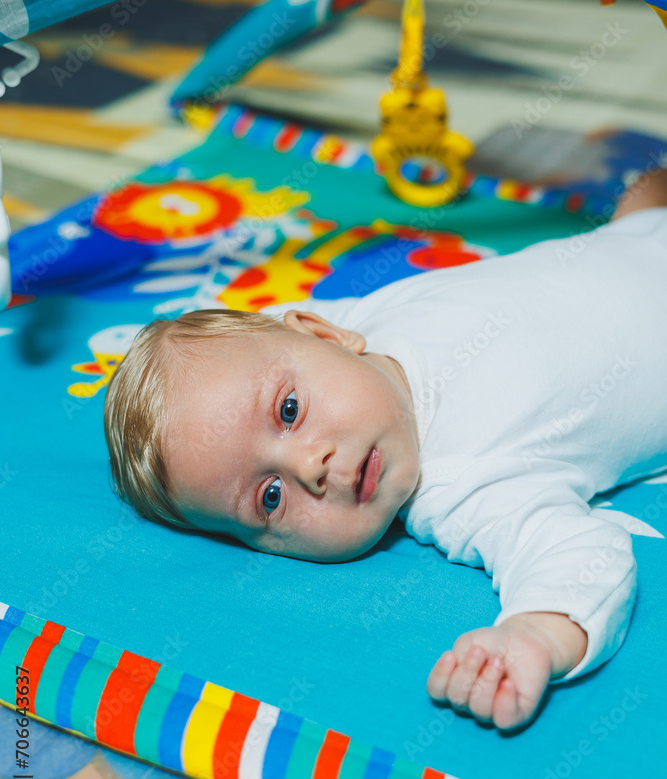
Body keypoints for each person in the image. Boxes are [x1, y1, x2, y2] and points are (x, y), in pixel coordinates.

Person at [104, 169, 667, 730]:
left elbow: (261, 335)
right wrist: (534, 635)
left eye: (289, 411)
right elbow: (576, 555)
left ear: (324, 334)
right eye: (270, 497)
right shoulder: (461, 486)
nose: (309, 467)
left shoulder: (356, 321)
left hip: (636, 237)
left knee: (648, 188)